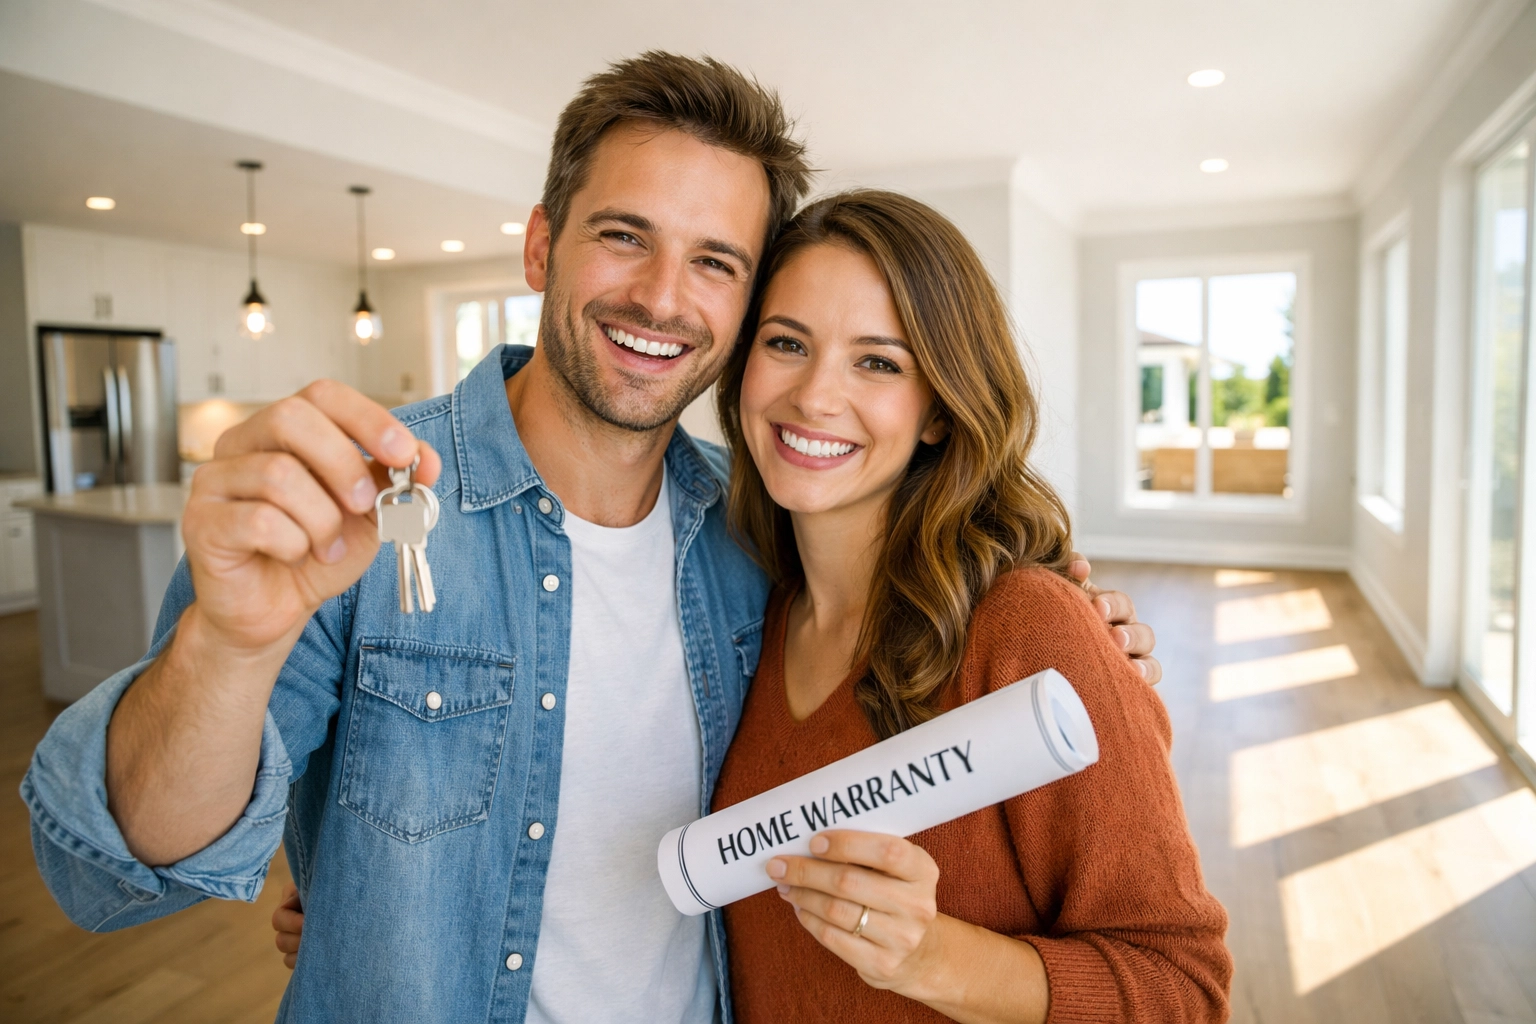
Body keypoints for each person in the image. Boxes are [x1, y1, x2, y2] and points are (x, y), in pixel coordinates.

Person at [24, 54, 1157, 1024]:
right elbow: (114, 875)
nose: (663, 297)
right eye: (626, 236)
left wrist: (1073, 639)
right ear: (540, 246)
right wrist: (227, 646)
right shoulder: (361, 508)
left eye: (715, 261)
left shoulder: (753, 538)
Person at [708, 190, 1231, 1022]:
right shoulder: (749, 615)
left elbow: (1184, 989)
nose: (813, 395)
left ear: (942, 412)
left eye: (878, 361)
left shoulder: (1027, 627)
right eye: (786, 343)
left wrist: (932, 958)